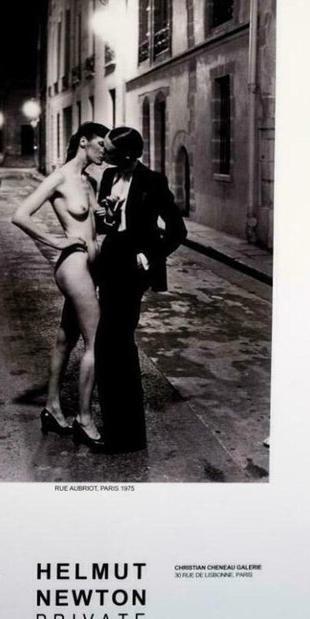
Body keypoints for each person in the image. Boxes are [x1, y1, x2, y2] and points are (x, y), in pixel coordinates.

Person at [11, 122, 109, 448]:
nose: (104, 150)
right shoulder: (60, 177)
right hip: (74, 266)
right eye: (100, 143)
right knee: (97, 342)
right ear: (83, 142)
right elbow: (20, 215)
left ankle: (53, 408)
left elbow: (94, 225)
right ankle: (85, 418)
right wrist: (56, 242)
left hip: (91, 267)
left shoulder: (88, 181)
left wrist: (107, 213)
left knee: (66, 339)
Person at [95, 126, 187, 452]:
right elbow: (107, 225)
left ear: (127, 155)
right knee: (109, 346)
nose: (103, 152)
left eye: (108, 149)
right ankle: (118, 430)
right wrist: (107, 215)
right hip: (110, 264)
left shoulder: (153, 181)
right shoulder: (108, 176)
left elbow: (178, 230)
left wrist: (150, 255)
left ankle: (127, 436)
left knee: (116, 344)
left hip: (132, 272)